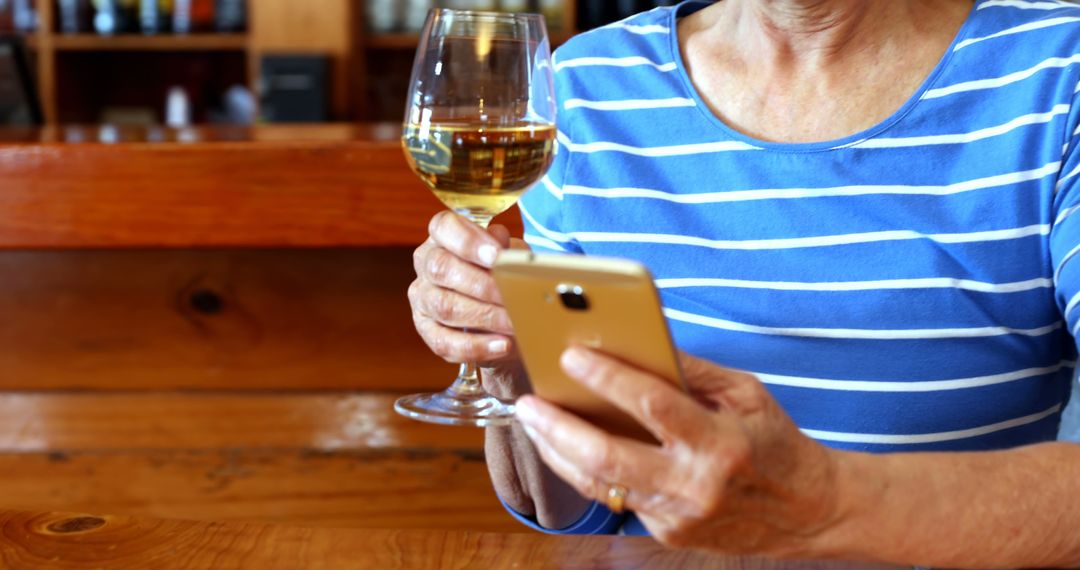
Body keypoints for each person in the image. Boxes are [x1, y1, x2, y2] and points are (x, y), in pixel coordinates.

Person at [407, 0, 1080, 566]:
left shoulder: (1058, 69)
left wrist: (828, 500)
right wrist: (511, 358)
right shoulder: (584, 87)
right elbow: (586, 511)